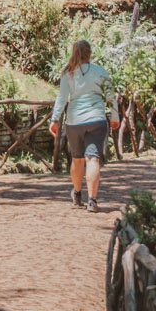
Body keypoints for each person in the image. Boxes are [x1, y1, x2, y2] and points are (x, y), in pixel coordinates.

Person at [50, 37, 113, 211]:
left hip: (74, 121)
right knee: (93, 159)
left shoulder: (68, 73)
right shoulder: (101, 72)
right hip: (96, 119)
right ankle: (92, 200)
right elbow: (110, 97)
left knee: (77, 159)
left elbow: (61, 99)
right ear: (90, 54)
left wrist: (55, 120)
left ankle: (77, 194)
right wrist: (115, 117)